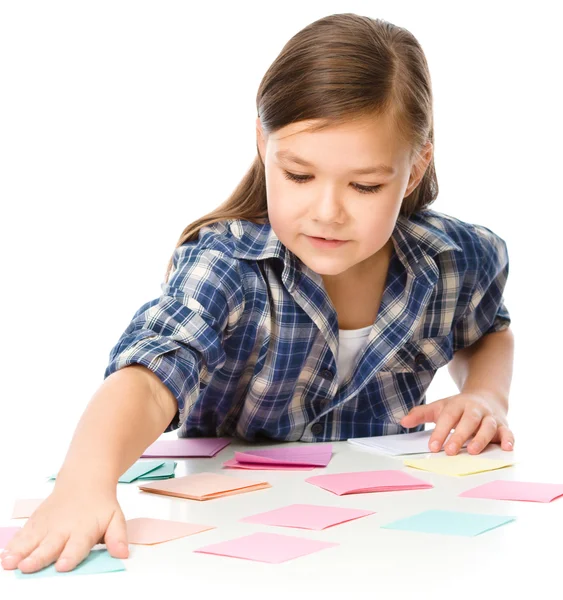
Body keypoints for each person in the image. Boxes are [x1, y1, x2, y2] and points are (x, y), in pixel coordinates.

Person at [1, 12, 514, 575]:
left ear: (414, 171)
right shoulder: (227, 265)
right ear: (262, 144)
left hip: (386, 535)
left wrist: (487, 395)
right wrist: (84, 484)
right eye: (298, 175)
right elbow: (147, 381)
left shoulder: (456, 258)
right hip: (230, 537)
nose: (327, 211)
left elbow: (487, 327)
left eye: (365, 185)